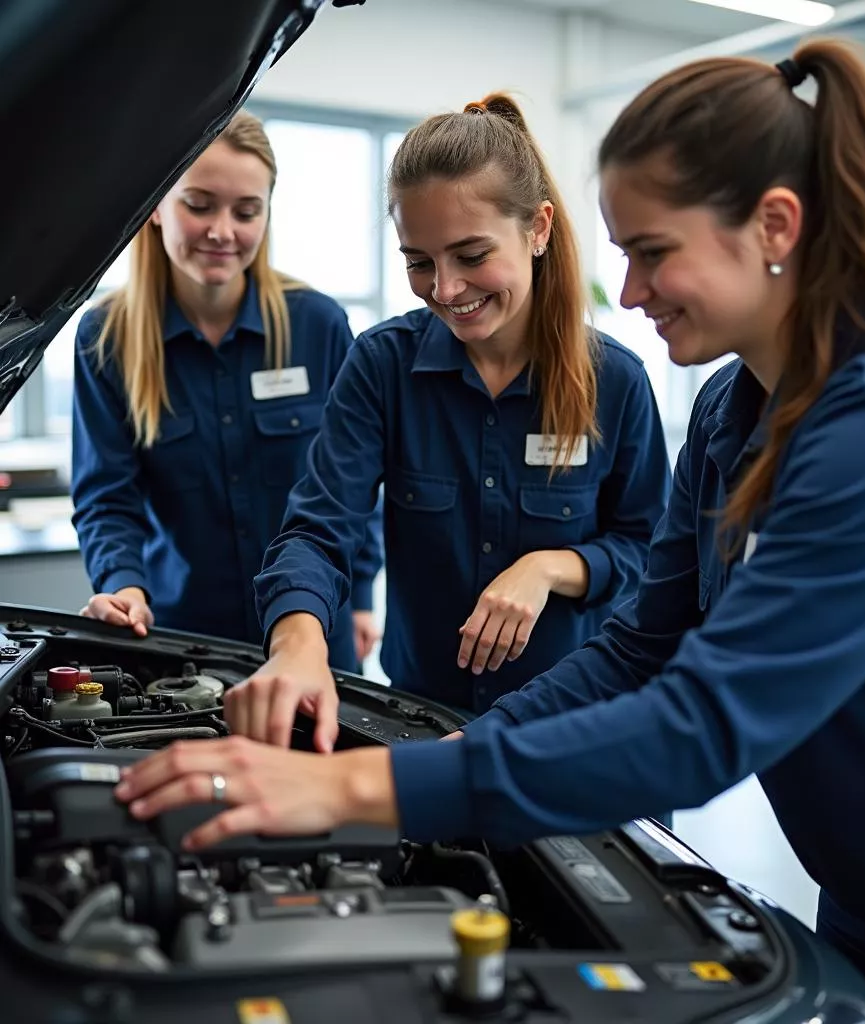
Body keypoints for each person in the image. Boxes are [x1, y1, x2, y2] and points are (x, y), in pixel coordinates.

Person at [113, 41, 865, 1021]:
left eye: (650, 252)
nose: (627, 293)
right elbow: (641, 646)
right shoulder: (729, 410)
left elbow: (703, 724)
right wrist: (460, 748)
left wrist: (354, 791)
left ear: (774, 224)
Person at [205, 93, 668, 736]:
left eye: (472, 256)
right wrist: (298, 640)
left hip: (573, 726)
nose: (445, 290)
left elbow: (649, 550)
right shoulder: (381, 366)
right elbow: (319, 528)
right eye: (418, 262)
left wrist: (550, 567)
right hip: (425, 717)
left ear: (537, 228)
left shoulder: (615, 380)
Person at [71, 111, 383, 672]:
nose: (223, 231)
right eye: (199, 204)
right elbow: (106, 497)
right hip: (180, 640)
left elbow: (357, 481)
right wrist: (123, 585)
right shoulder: (107, 337)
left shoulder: (317, 323)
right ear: (156, 207)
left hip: (312, 631)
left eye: (246, 211)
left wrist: (360, 596)